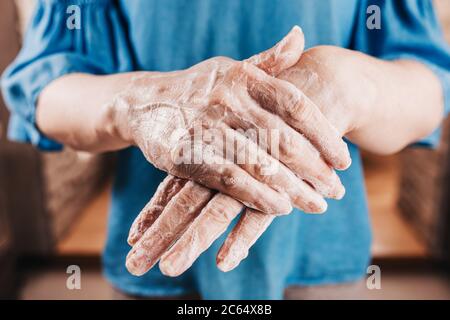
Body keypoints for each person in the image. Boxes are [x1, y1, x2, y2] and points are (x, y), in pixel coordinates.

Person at [2, 0, 449, 299]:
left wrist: (354, 85)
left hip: (318, 256)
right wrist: (138, 100)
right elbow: (44, 86)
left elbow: (428, 86)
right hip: (161, 256)